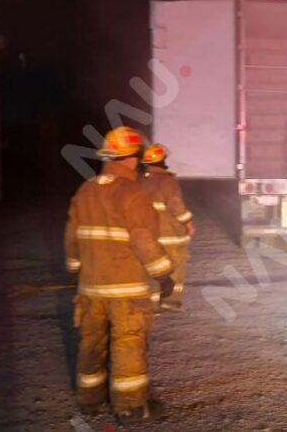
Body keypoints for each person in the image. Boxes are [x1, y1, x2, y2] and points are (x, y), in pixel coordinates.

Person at [63, 126, 174, 423]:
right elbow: (142, 239)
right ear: (132, 159)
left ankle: (90, 400)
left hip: (90, 288)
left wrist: (75, 270)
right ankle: (130, 407)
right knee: (128, 343)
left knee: (91, 342)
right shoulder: (134, 193)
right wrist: (163, 273)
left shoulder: (85, 190)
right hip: (125, 289)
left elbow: (72, 237)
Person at [140, 143, 196, 313]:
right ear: (163, 160)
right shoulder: (167, 181)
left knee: (152, 267)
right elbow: (175, 205)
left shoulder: (140, 182)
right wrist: (188, 222)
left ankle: (152, 304)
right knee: (176, 266)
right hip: (170, 235)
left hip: (148, 236)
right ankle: (171, 301)